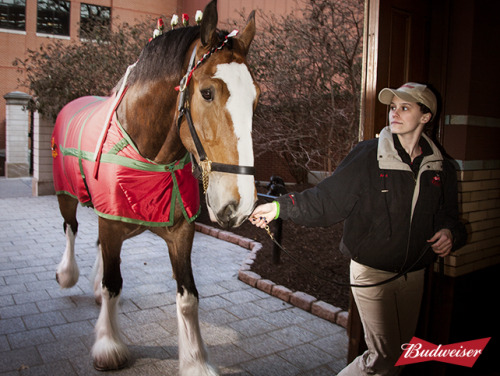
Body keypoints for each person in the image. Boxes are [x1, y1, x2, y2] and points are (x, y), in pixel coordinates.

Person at [250, 82, 467, 376]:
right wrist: (279, 207)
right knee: (383, 357)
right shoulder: (368, 154)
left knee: (401, 354)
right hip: (371, 271)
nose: (395, 113)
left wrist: (451, 233)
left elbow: (450, 216)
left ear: (426, 117)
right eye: (393, 107)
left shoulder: (441, 167)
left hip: (414, 274)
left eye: (405, 107)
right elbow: (327, 200)